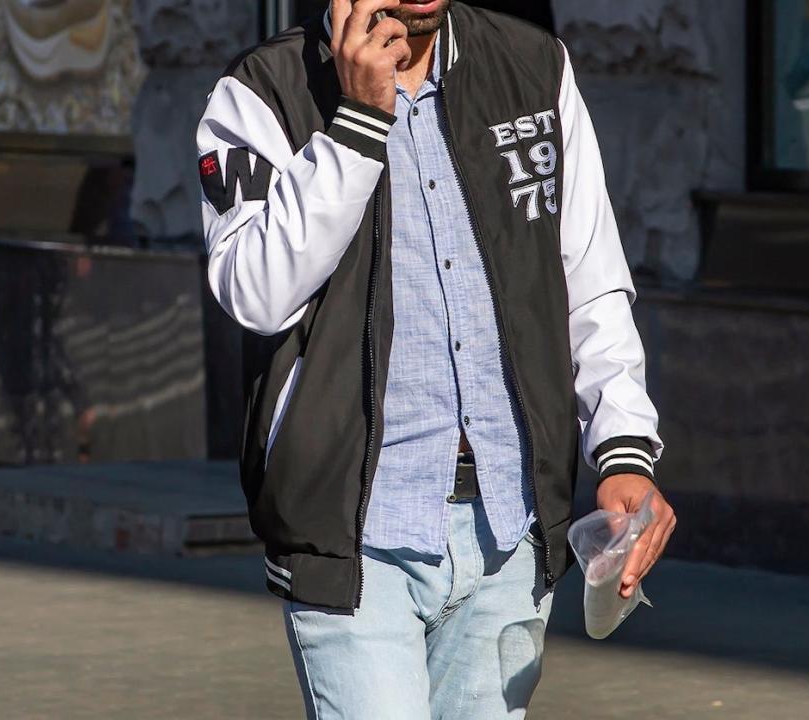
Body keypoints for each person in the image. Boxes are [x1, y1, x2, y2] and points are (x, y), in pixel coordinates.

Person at [197, 1, 676, 717]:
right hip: (356, 537)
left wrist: (624, 451)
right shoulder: (262, 92)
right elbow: (255, 293)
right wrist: (357, 123)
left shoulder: (535, 68)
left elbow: (590, 282)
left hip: (508, 531)